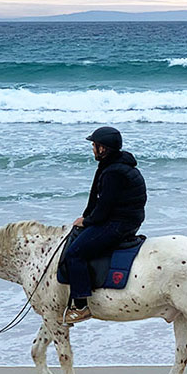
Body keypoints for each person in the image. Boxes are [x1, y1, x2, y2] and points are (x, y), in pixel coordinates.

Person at [61, 126, 147, 323]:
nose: (92, 148)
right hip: (125, 219)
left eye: (94, 145)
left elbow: (104, 208)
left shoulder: (113, 172)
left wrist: (88, 221)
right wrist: (85, 217)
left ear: (103, 149)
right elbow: (96, 200)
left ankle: (81, 307)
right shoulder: (113, 165)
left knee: (75, 254)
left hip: (118, 224)